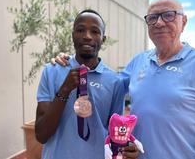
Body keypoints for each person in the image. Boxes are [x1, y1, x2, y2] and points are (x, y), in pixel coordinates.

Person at [53, 0, 195, 159]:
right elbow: (104, 82)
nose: (159, 23)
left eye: (168, 15)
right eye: (152, 18)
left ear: (183, 22)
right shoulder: (138, 61)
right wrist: (71, 61)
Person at [35, 9, 139, 159]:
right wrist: (64, 89)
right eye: (80, 30)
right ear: (73, 35)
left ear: (103, 39)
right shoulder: (51, 72)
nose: (87, 36)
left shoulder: (114, 82)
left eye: (95, 31)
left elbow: (114, 134)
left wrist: (127, 147)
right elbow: (41, 135)